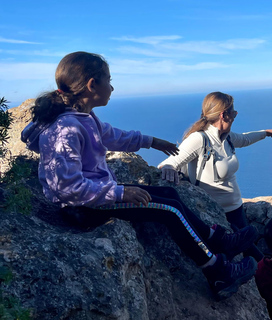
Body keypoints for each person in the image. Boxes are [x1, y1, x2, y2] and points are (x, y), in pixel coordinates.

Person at [20, 51, 258, 301]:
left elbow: (112, 135)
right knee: (170, 211)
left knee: (169, 194)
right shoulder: (66, 129)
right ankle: (217, 272)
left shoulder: (84, 117)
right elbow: (66, 188)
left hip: (96, 192)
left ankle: (218, 239)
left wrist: (151, 141)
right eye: (108, 80)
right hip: (81, 207)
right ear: (92, 85)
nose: (112, 87)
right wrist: (120, 193)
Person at [158, 91, 272, 262]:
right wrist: (169, 168)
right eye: (234, 113)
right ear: (224, 115)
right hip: (218, 216)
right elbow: (170, 162)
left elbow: (245, 139)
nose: (235, 116)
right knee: (253, 258)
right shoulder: (199, 139)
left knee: (249, 256)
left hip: (237, 210)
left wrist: (266, 133)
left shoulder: (227, 138)